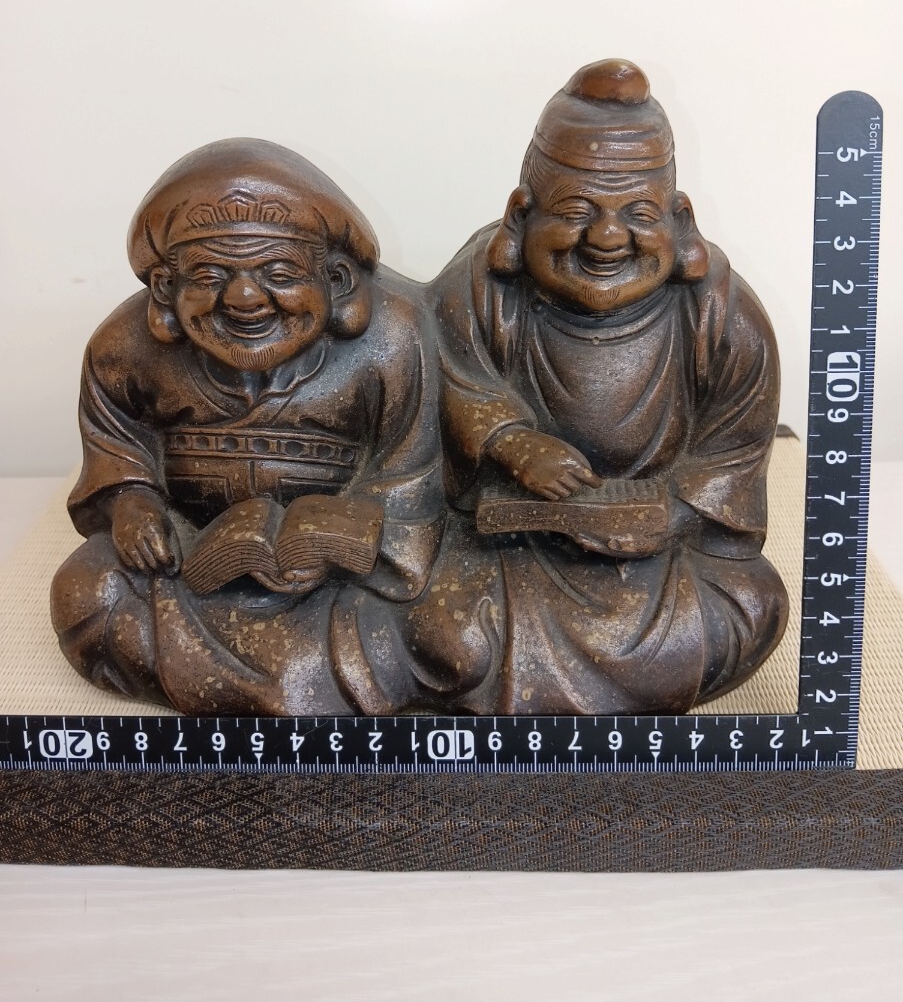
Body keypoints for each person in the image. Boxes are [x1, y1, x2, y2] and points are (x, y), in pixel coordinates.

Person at [419, 59, 789, 714]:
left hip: (658, 562)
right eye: (576, 210)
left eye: (637, 213)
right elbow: (435, 377)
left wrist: (664, 516)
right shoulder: (479, 288)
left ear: (678, 218)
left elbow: (732, 457)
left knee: (754, 605)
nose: (608, 237)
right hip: (507, 548)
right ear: (521, 214)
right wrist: (509, 442)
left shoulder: (721, 315)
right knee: (431, 614)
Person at [51, 138, 444, 715]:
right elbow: (118, 453)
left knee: (452, 618)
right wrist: (132, 505)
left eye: (278, 272)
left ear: (336, 280)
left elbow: (412, 479)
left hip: (341, 584)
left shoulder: (393, 340)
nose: (243, 298)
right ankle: (304, 680)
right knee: (86, 590)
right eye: (209, 275)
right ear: (165, 289)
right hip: (190, 566)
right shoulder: (123, 350)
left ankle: (294, 674)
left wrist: (341, 538)